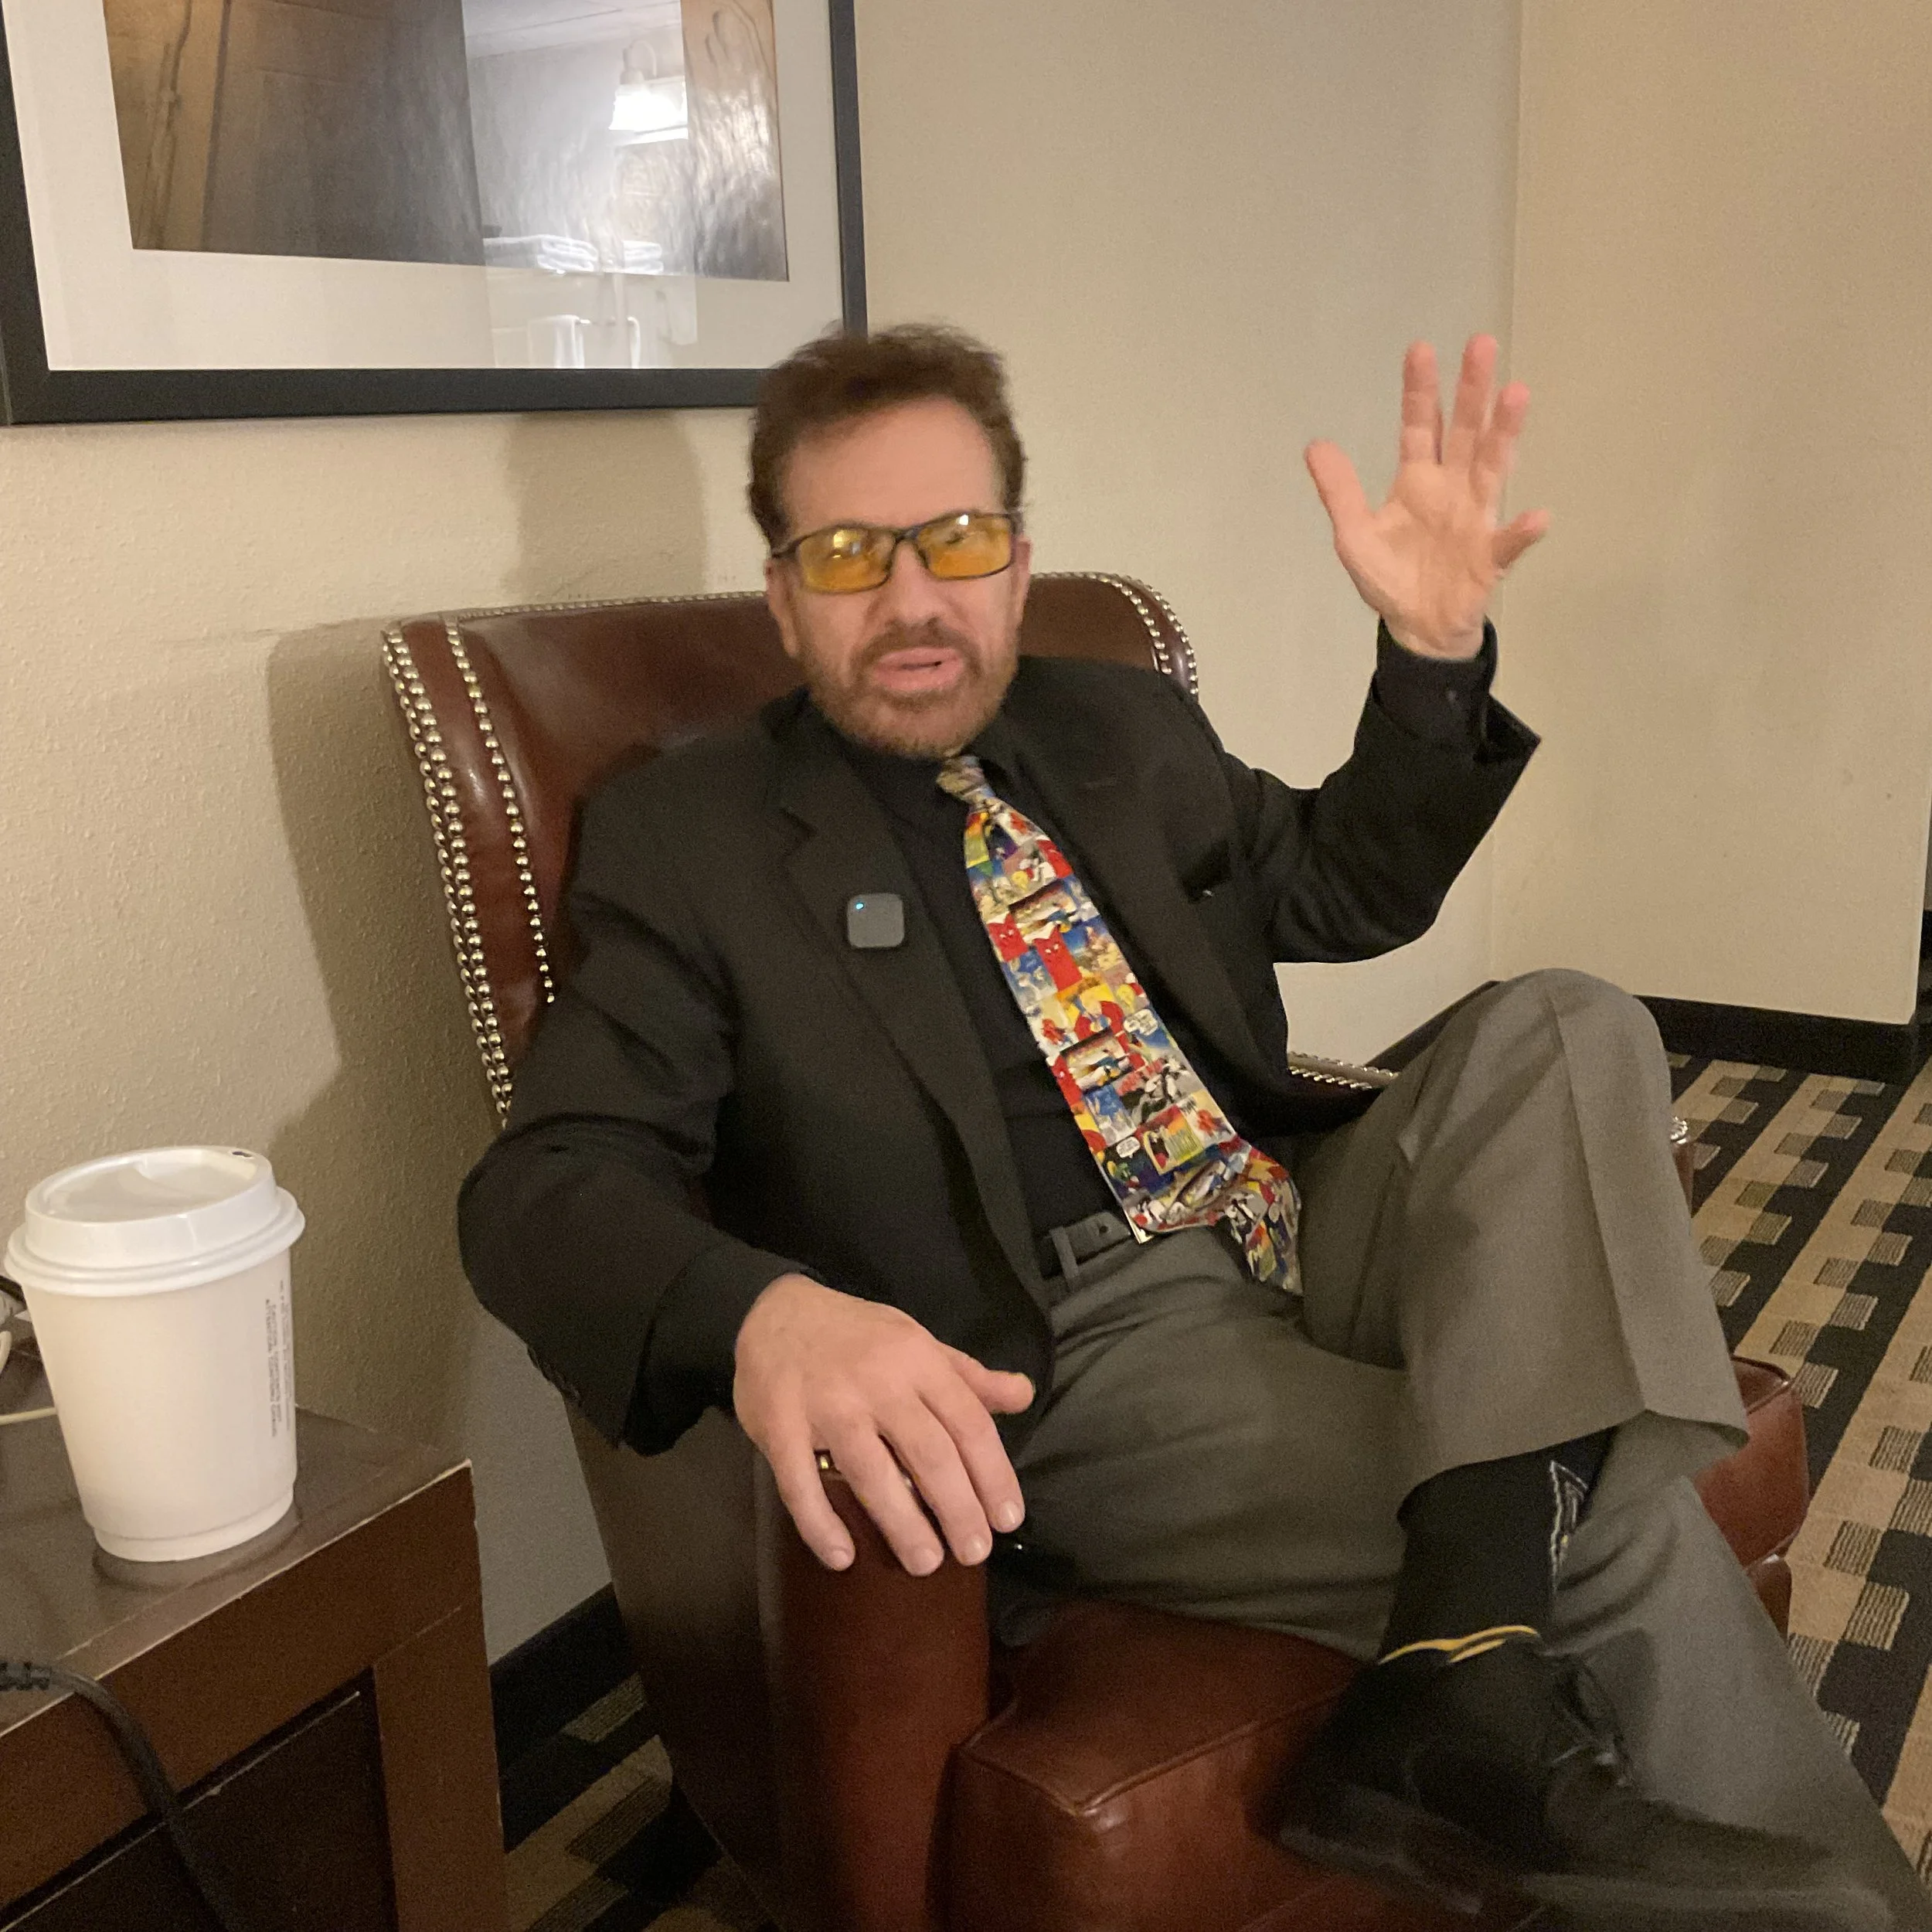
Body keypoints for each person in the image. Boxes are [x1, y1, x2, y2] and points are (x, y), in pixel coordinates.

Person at [460, 324, 1927, 1930]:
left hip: (1294, 1207)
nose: (912, 599)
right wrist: (765, 1313)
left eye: (957, 540)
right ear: (784, 594)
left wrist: (1431, 660)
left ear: (1019, 564)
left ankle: (1456, 1674)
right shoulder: (693, 837)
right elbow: (549, 1183)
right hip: (1088, 1340)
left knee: (1570, 1018)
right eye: (849, 553)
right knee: (1614, 1495)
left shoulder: (1118, 729)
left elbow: (1342, 886)